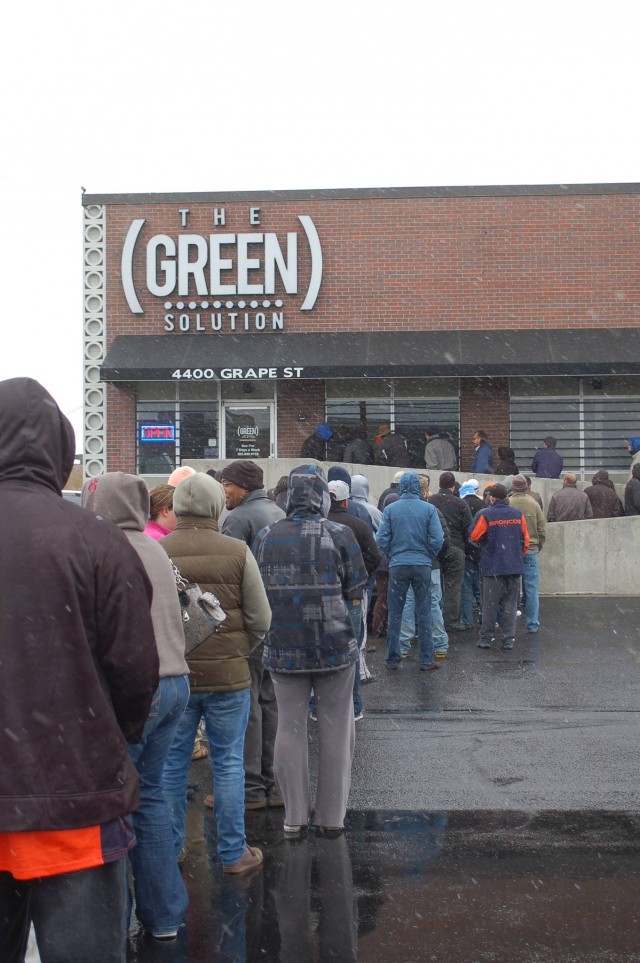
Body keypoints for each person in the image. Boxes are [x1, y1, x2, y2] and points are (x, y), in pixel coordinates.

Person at [0, 378, 159, 963]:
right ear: (59, 450)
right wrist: (104, 736)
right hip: (74, 803)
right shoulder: (95, 539)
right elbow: (136, 670)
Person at [82, 472, 190, 943]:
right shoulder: (154, 548)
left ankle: (116, 922)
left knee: (115, 802)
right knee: (149, 797)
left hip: (136, 690)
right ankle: (165, 917)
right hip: (176, 684)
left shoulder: (102, 551)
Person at [160, 473, 272, 875]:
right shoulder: (237, 551)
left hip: (177, 678)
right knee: (227, 763)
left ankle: (171, 847)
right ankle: (232, 853)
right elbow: (260, 617)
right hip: (229, 677)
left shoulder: (159, 550)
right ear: (215, 506)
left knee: (172, 764)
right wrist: (239, 651)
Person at [253, 465, 368, 838]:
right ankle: (331, 818)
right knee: (336, 728)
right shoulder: (340, 533)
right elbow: (356, 585)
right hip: (334, 645)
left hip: (283, 644)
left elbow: (257, 584)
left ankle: (294, 817)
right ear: (323, 498)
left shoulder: (267, 535)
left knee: (289, 725)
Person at [219, 460, 285, 811]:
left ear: (242, 487)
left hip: (250, 624)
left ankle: (251, 788)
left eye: (227, 484)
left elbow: (230, 580)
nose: (223, 491)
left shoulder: (237, 520)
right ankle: (274, 784)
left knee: (249, 705)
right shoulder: (278, 511)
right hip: (280, 623)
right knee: (271, 703)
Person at [375, 470, 444, 671]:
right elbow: (438, 539)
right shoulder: (429, 509)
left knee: (396, 612)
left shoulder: (391, 509)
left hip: (397, 565)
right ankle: (426, 658)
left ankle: (392, 658)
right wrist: (427, 555)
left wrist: (393, 554)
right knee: (424, 611)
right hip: (422, 565)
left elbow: (381, 539)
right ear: (418, 487)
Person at [327, 479, 382, 720]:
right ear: (346, 501)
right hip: (352, 596)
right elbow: (376, 555)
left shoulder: (320, 525)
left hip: (324, 595)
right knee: (352, 649)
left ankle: (319, 706)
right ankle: (355, 706)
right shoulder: (357, 526)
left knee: (323, 648)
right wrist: (360, 575)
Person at [469, 483, 529, 651]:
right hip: (513, 566)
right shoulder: (517, 515)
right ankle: (508, 639)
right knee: (510, 605)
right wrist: (516, 556)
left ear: (492, 498)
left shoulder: (487, 515)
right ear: (507, 498)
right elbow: (526, 540)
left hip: (493, 567)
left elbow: (474, 536)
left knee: (489, 604)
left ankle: (486, 639)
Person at [428, 471, 472, 631]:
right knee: (453, 585)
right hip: (455, 547)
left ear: (439, 485)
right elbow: (469, 528)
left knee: (434, 585)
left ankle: (435, 619)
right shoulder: (461, 503)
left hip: (434, 547)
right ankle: (451, 621)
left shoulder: (430, 501)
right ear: (453, 487)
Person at [508, 474, 546, 634]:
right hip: (530, 550)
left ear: (512, 487)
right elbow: (541, 529)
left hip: (511, 550)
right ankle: (532, 624)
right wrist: (538, 545)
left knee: (511, 589)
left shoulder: (508, 504)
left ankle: (510, 624)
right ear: (526, 487)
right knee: (531, 589)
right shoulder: (534, 504)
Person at [457, 479, 485, 630]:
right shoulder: (483, 505)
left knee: (466, 587)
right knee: (484, 584)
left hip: (466, 550)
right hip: (481, 550)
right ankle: (484, 618)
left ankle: (466, 620)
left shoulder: (460, 504)